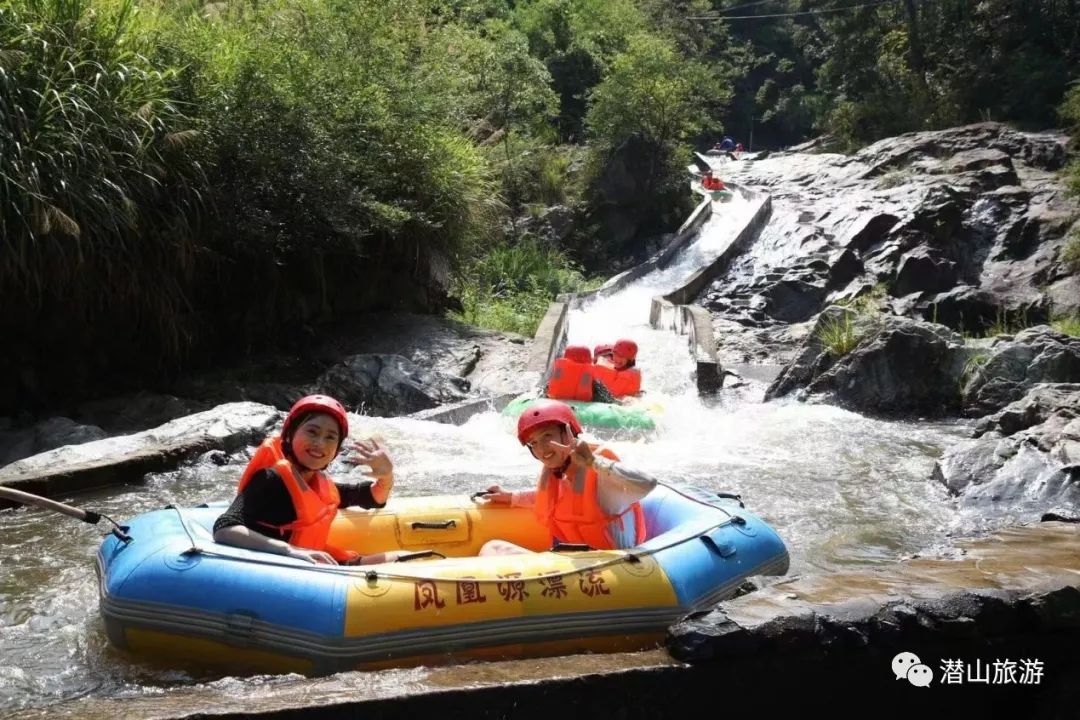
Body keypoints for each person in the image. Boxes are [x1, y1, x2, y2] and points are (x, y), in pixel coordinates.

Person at [213, 394, 403, 565]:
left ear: (336, 450)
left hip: (317, 564)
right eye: (312, 431)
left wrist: (386, 476)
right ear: (289, 435)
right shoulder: (270, 479)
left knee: (403, 558)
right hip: (282, 570)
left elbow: (373, 498)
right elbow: (225, 528)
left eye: (330, 437)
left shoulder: (317, 483)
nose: (320, 443)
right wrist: (289, 550)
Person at [479, 400, 657, 556]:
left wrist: (594, 462)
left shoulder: (603, 480)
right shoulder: (557, 477)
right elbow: (549, 501)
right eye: (533, 443)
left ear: (568, 433)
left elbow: (648, 483)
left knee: (493, 549)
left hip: (610, 573)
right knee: (494, 549)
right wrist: (511, 497)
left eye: (547, 436)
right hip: (571, 570)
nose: (541, 448)